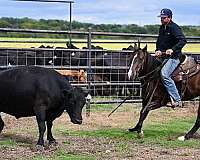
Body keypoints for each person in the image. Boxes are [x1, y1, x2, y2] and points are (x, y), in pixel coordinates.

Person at [155, 8, 187, 107]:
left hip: (174, 57)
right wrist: (158, 50)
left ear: (169, 18)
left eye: (163, 18)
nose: (161, 19)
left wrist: (172, 49)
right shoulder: (162, 28)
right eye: (161, 17)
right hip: (163, 57)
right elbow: (159, 41)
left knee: (164, 74)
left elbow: (183, 41)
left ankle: (177, 100)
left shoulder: (174, 28)